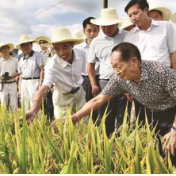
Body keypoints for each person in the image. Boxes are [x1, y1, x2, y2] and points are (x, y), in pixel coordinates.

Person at [70, 42, 176, 165]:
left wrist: (174, 129)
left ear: (134, 62)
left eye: (118, 66)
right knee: (156, 153)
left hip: (172, 114)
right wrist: (76, 116)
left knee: (172, 151)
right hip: (151, 115)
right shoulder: (119, 80)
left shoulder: (160, 72)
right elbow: (98, 100)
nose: (116, 72)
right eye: (113, 67)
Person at [20, 27, 89, 123]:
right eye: (57, 49)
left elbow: (84, 72)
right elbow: (44, 88)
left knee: (85, 123)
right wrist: (33, 110)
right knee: (65, 128)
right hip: (63, 98)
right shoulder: (51, 65)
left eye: (65, 47)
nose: (62, 53)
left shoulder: (81, 53)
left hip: (79, 93)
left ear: (72, 44)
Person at [124, 0, 176, 121]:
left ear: (146, 10)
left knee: (166, 117)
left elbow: (173, 53)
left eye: (135, 13)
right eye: (130, 15)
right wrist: (127, 86)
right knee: (142, 119)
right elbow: (128, 63)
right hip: (140, 82)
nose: (133, 18)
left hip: (164, 79)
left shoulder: (166, 27)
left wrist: (174, 75)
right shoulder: (129, 36)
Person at [87, 8, 128, 137]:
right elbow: (91, 64)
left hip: (125, 82)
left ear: (117, 24)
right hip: (105, 82)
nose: (107, 29)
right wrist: (94, 84)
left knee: (123, 115)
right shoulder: (96, 42)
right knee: (106, 115)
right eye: (103, 26)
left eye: (110, 25)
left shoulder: (127, 36)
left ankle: (122, 143)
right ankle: (106, 142)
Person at [74, 17, 100, 123]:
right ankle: (87, 129)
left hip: (100, 78)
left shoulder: (102, 45)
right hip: (85, 80)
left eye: (95, 30)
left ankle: (99, 130)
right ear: (84, 31)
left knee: (100, 107)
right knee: (85, 105)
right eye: (89, 30)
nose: (92, 33)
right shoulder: (78, 48)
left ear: (99, 31)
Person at [17, 35, 45, 112]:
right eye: (24, 45)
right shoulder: (21, 59)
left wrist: (40, 84)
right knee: (24, 102)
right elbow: (20, 74)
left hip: (34, 81)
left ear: (31, 45)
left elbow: (42, 69)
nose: (26, 47)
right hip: (24, 83)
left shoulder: (37, 55)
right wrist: (20, 89)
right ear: (21, 48)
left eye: (28, 44)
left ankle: (38, 121)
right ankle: (27, 121)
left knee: (35, 102)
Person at [36, 36, 54, 120]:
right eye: (41, 43)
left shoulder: (50, 53)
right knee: (43, 100)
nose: (42, 44)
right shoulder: (37, 54)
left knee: (52, 100)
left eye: (44, 42)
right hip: (41, 79)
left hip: (50, 80)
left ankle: (50, 116)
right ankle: (45, 117)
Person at [0, 43, 18, 111]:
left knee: (14, 104)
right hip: (3, 85)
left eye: (7, 48)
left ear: (9, 50)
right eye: (3, 48)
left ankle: (15, 120)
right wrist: (2, 78)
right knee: (3, 104)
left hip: (13, 83)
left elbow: (19, 72)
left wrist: (12, 76)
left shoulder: (15, 60)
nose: (5, 50)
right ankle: (4, 120)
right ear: (1, 51)